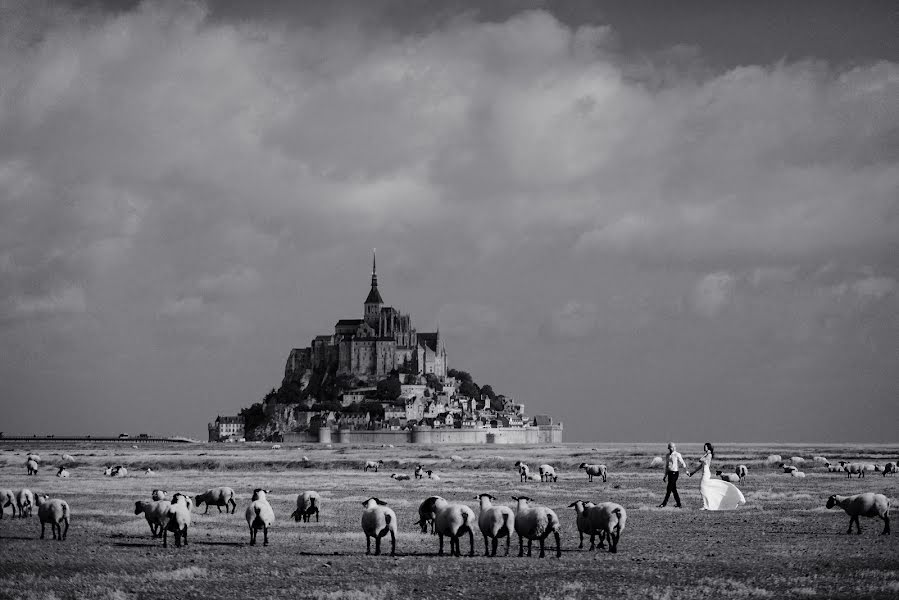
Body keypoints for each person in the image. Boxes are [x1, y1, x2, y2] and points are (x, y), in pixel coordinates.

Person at [688, 442, 745, 510]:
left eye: (706, 447)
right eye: (704, 446)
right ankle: (706, 505)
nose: (704, 448)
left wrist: (706, 453)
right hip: (705, 472)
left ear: (708, 448)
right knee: (703, 488)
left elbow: (700, 460)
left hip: (706, 473)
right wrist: (693, 472)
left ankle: (705, 505)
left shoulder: (709, 455)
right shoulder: (706, 455)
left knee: (702, 488)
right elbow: (701, 466)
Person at [659, 442, 687, 508]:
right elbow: (667, 466)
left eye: (673, 447)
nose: (672, 448)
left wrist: (686, 470)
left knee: (669, 489)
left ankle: (664, 504)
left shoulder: (677, 454)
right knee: (673, 489)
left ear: (674, 447)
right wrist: (665, 475)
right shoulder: (667, 455)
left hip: (675, 473)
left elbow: (682, 462)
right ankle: (679, 504)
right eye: (670, 447)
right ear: (669, 448)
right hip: (670, 473)